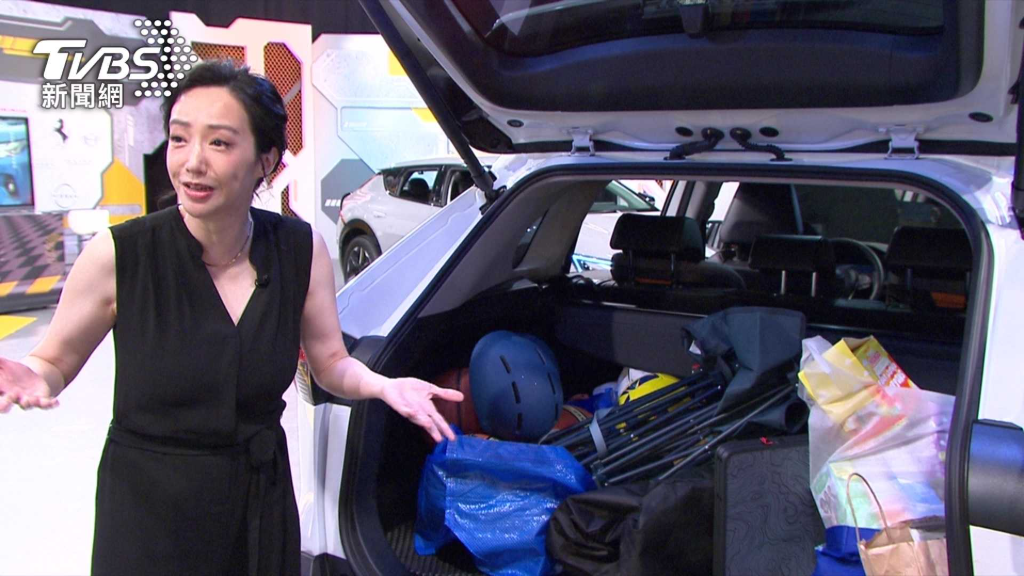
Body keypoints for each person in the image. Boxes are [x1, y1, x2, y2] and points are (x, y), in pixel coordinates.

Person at [0, 60, 463, 576]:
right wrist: (32, 374)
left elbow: (331, 363)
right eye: (179, 139)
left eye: (219, 142)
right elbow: (53, 361)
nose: (192, 162)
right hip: (150, 513)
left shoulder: (298, 249)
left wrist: (384, 386)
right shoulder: (121, 255)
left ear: (266, 160)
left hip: (257, 505)